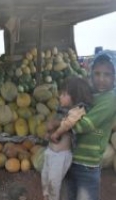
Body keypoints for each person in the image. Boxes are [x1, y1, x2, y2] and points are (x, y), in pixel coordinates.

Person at [51, 50, 116, 200]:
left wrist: (61, 125)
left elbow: (84, 125)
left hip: (88, 164)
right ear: (91, 74)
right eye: (97, 73)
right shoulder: (91, 93)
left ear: (114, 76)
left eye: (107, 75)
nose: (101, 79)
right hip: (72, 159)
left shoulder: (110, 99)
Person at [42, 77, 93, 200]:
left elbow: (67, 124)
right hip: (50, 152)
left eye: (64, 94)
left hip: (60, 156)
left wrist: (56, 133)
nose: (60, 96)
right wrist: (49, 134)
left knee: (54, 183)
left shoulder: (77, 111)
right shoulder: (61, 110)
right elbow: (54, 127)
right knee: (45, 179)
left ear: (75, 97)